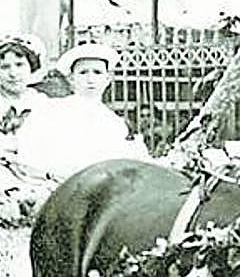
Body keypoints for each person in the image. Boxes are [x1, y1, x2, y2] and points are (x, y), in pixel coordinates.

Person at [15, 42, 149, 180]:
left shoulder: (114, 122)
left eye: (97, 72)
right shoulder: (53, 110)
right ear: (72, 78)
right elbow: (32, 148)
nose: (90, 79)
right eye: (83, 72)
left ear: (108, 79)